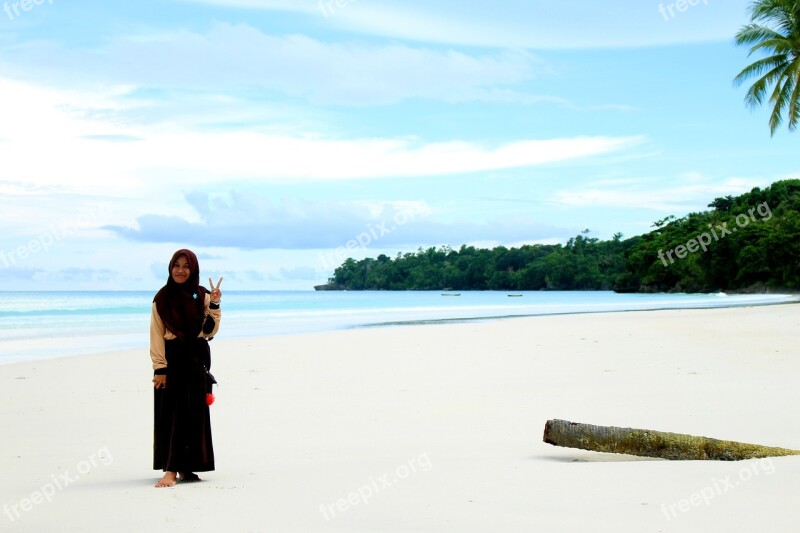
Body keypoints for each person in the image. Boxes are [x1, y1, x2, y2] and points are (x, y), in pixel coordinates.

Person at [150, 248, 223, 488]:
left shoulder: (201, 295)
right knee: (172, 416)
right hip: (172, 362)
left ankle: (186, 467)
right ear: (170, 268)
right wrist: (159, 368)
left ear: (194, 269)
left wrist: (214, 303)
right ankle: (170, 470)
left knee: (193, 414)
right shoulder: (161, 299)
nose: (181, 270)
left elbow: (209, 331)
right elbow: (157, 335)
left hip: (195, 360)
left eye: (186, 266)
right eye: (176, 265)